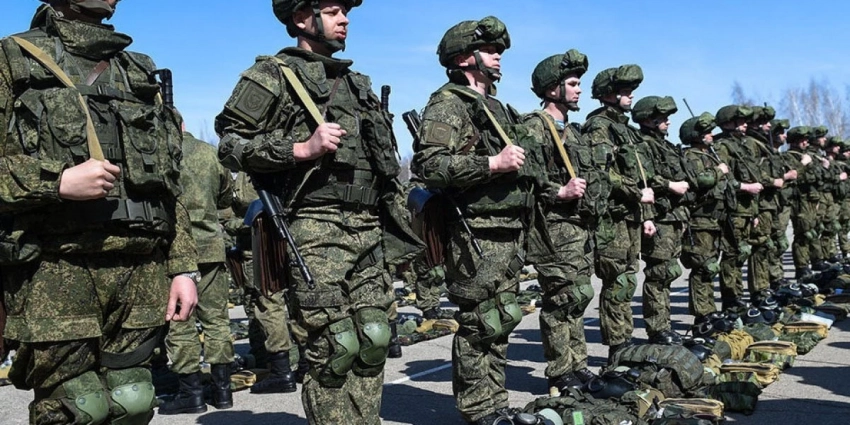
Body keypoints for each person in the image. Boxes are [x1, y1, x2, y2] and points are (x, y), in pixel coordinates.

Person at [216, 1, 416, 423]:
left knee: (375, 337)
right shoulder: (272, 74)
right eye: (334, 10)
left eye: (346, 11)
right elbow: (231, 144)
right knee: (335, 346)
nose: (345, 19)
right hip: (314, 225)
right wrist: (299, 149)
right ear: (302, 18)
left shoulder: (356, 83)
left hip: (367, 224)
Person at [0, 1, 199, 423]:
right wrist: (55, 182)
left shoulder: (137, 69)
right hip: (56, 266)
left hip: (141, 266)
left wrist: (183, 267)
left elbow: (169, 180)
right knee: (78, 407)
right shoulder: (12, 58)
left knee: (134, 400)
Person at [412, 16, 573, 425]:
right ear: (463, 58)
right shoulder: (448, 104)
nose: (498, 56)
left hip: (511, 230)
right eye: (489, 49)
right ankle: (478, 409)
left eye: (499, 50)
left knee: (502, 320)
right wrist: (491, 164)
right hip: (475, 233)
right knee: (479, 324)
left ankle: (496, 403)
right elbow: (430, 165)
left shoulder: (500, 109)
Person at [522, 49, 604, 395]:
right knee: (559, 300)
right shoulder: (534, 126)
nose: (579, 89)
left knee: (578, 297)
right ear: (552, 88)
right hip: (553, 227)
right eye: (572, 83)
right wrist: (559, 192)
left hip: (578, 226)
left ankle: (578, 365)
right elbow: (525, 179)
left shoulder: (573, 131)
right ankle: (559, 372)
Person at [582, 65, 656, 360]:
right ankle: (617, 346)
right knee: (617, 281)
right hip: (612, 217)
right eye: (626, 91)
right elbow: (601, 173)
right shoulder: (599, 127)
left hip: (631, 216)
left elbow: (642, 177)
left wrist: (647, 213)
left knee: (628, 279)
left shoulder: (627, 131)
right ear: (609, 94)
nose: (631, 96)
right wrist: (635, 193)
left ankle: (625, 340)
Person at [160, 128, 235, 414]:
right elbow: (225, 197)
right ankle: (223, 391)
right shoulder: (208, 152)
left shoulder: (162, 149)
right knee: (217, 320)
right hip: (211, 246)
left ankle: (191, 394)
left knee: (181, 321)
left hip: (175, 248)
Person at [632, 96, 695, 344]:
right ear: (649, 120)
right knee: (659, 274)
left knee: (668, 273)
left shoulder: (666, 146)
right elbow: (644, 178)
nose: (668, 122)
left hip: (674, 216)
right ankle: (657, 329)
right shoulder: (643, 145)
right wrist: (670, 185)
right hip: (659, 216)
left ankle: (664, 326)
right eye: (663, 118)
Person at [713, 105, 765, 310]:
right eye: (740, 121)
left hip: (746, 209)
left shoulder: (743, 146)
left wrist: (755, 212)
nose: (745, 125)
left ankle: (738, 296)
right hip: (732, 209)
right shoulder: (722, 146)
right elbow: (724, 179)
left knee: (740, 254)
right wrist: (745, 187)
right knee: (731, 255)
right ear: (728, 123)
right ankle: (731, 300)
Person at [680, 112, 731, 322]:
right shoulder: (691, 156)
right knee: (703, 267)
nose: (712, 135)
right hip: (699, 220)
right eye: (708, 132)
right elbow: (701, 181)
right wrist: (719, 171)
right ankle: (702, 315)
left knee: (711, 266)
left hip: (714, 220)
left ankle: (709, 310)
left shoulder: (709, 155)